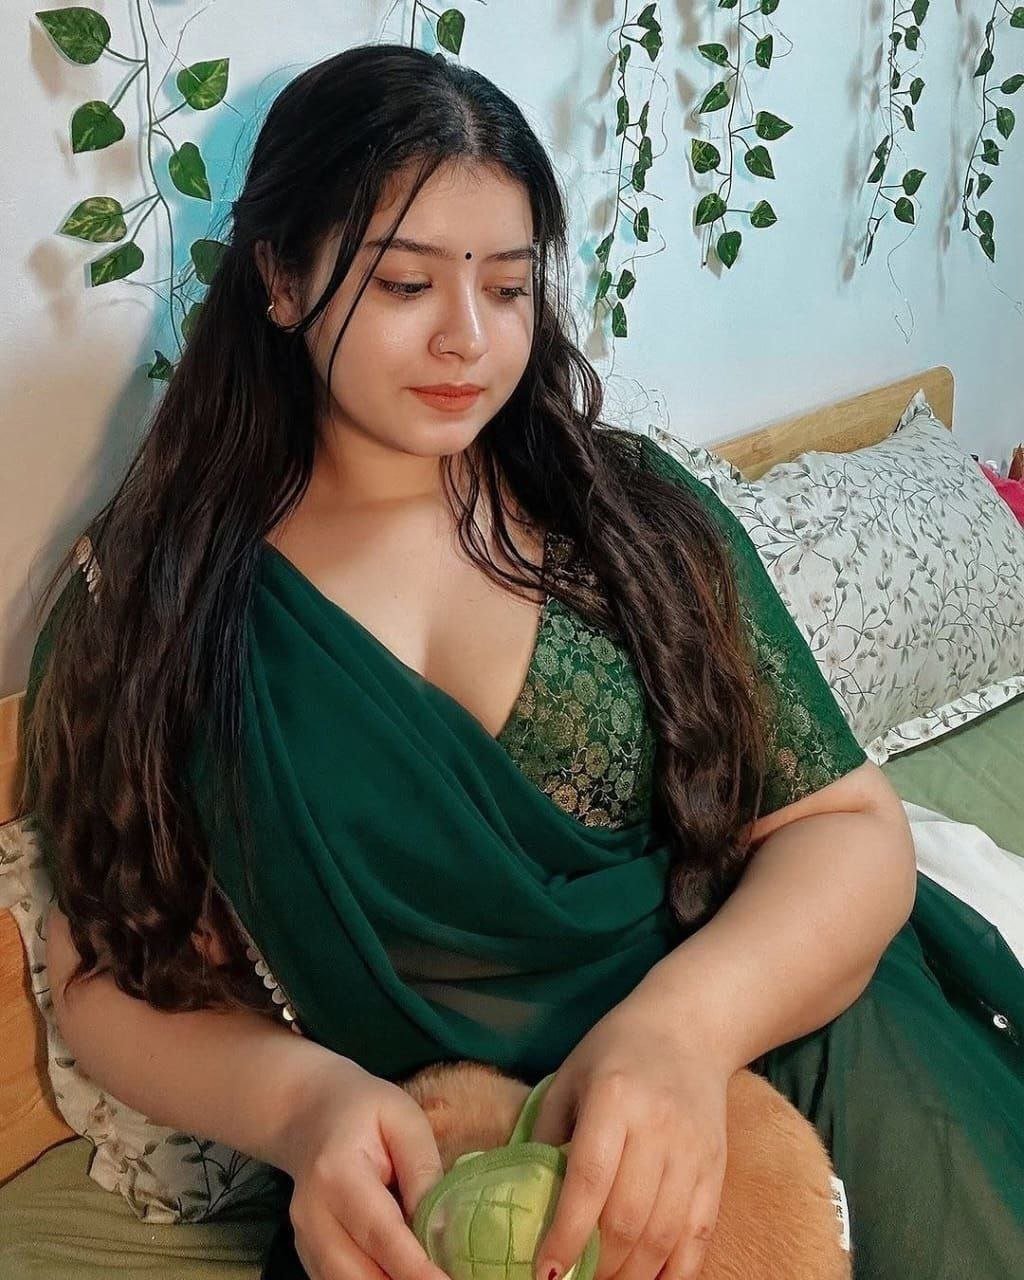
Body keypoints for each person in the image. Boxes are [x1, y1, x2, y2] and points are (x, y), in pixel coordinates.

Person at [8, 41, 1023, 1280]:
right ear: (277, 276)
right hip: (446, 1175)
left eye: (507, 285)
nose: (468, 338)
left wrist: (679, 1032)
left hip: (773, 1037)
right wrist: (303, 1107)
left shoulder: (625, 517)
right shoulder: (145, 603)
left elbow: (847, 825)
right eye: (404, 284)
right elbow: (109, 971)